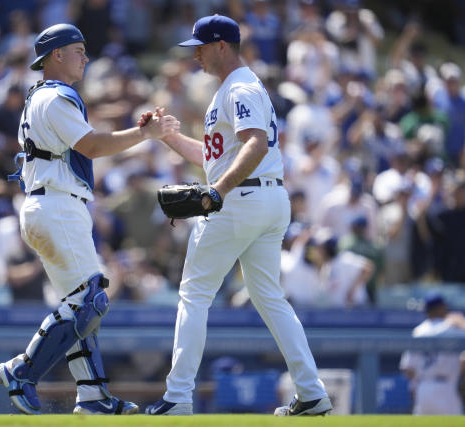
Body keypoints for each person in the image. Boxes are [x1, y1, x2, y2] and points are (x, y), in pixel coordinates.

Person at [141, 15, 331, 416]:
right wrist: (170, 136)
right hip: (265, 199)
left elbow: (255, 144)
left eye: (201, 48)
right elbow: (214, 159)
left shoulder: (240, 86)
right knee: (270, 298)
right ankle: (311, 392)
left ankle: (177, 396)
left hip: (241, 199)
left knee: (194, 293)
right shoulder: (232, 88)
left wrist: (218, 191)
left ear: (222, 45)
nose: (195, 57)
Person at [0, 23, 179, 416]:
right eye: (78, 49)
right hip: (57, 205)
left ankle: (93, 396)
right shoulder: (57, 97)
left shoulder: (42, 97)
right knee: (89, 300)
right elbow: (92, 146)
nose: (86, 56)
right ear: (55, 55)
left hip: (51, 203)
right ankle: (21, 370)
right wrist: (145, 134)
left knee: (80, 308)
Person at [399, 294, 465, 415]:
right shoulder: (452, 329)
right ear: (441, 308)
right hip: (446, 388)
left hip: (423, 388)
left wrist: (415, 386)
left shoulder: (419, 331)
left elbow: (408, 368)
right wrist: (462, 323)